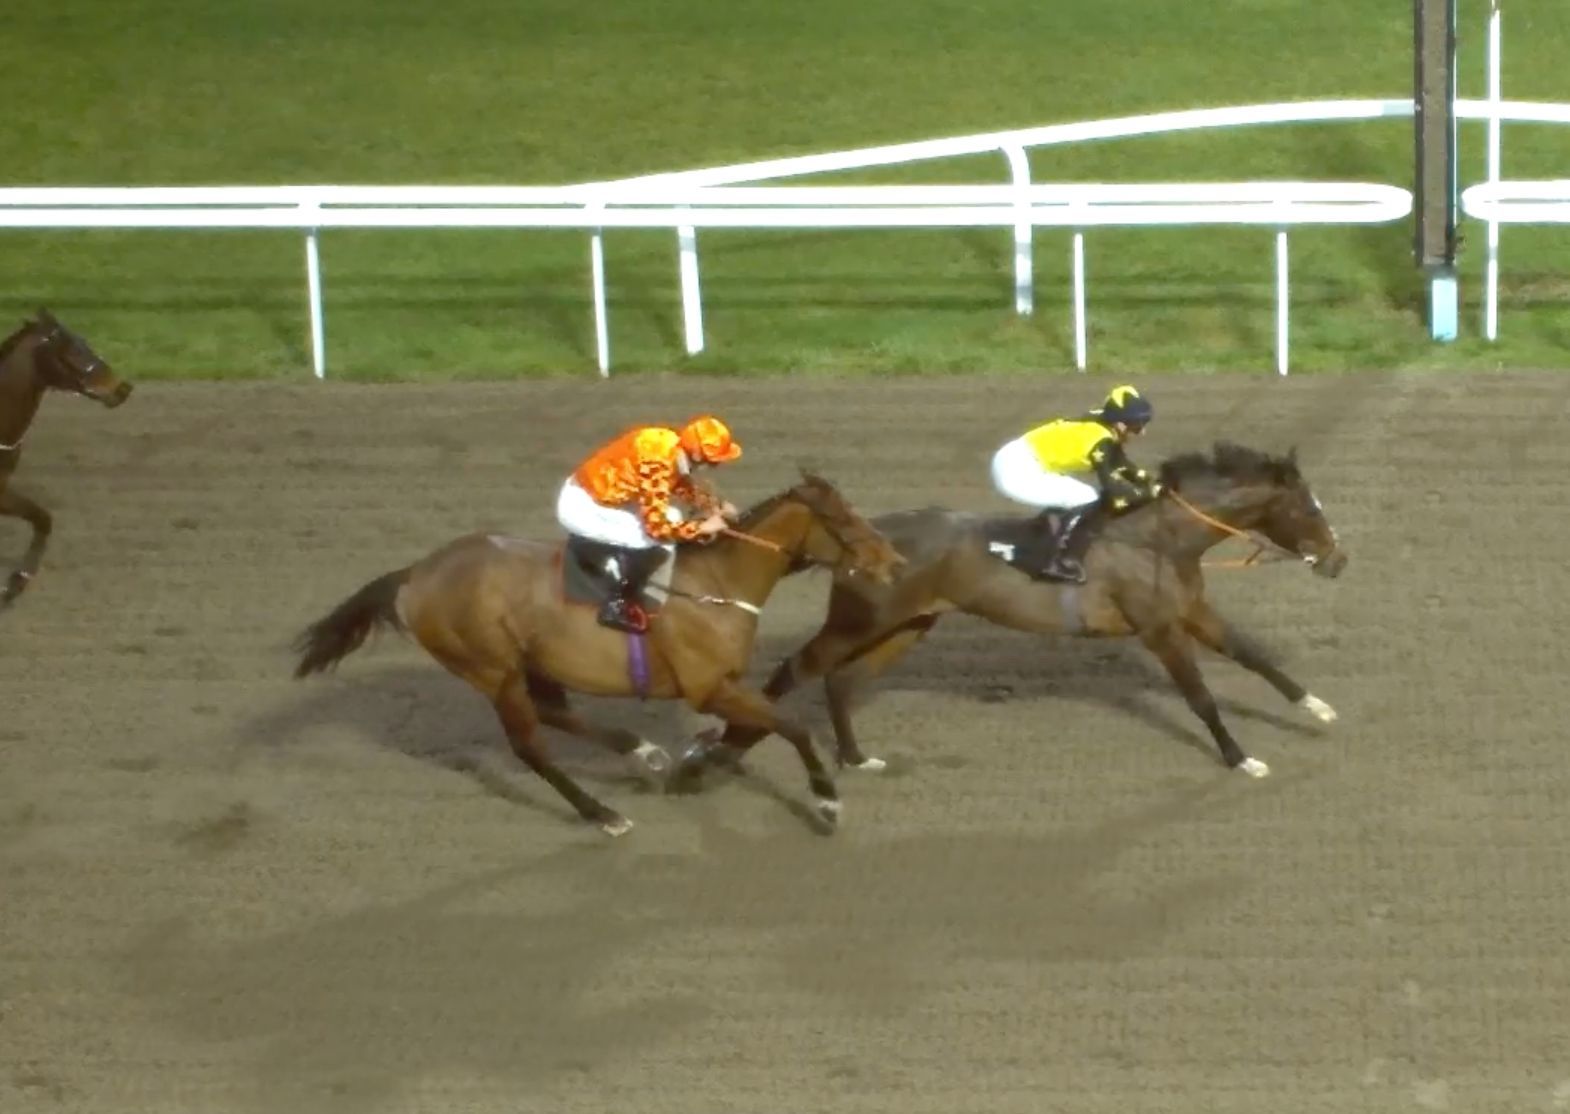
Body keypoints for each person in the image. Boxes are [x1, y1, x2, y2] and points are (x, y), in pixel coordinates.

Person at [556, 414, 744, 632]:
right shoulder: (656, 460)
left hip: (602, 498)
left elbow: (676, 482)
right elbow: (656, 528)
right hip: (582, 508)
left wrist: (712, 506)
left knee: (673, 516)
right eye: (714, 461)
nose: (716, 466)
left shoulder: (672, 445)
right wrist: (702, 527)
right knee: (647, 539)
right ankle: (615, 604)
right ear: (696, 453)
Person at [988, 385, 1161, 584]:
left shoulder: (1103, 421)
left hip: (1018, 457)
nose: (1143, 432)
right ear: (1120, 425)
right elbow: (1117, 498)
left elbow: (1119, 462)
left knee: (1075, 495)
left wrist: (1148, 480)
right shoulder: (1100, 441)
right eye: (1138, 427)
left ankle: (1045, 538)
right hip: (1015, 471)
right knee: (1085, 498)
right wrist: (1151, 492)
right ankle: (1055, 561)